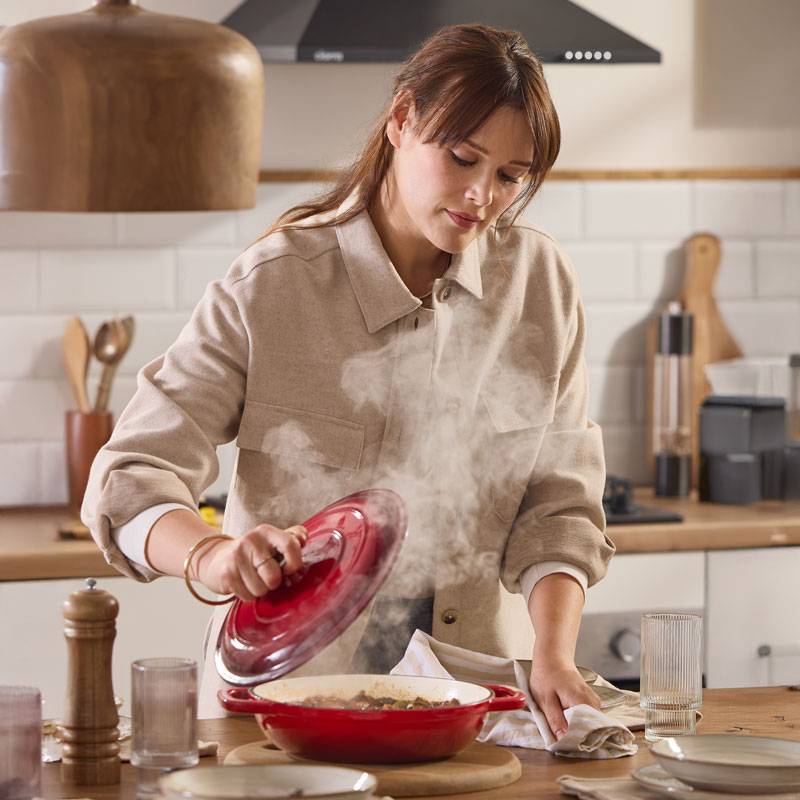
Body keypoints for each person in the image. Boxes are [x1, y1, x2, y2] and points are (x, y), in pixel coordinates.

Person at [83, 23, 614, 739]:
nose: (483, 195)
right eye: (463, 158)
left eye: (511, 177)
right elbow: (128, 476)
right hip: (281, 714)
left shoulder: (539, 285)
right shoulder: (271, 286)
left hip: (473, 711)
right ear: (402, 121)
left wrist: (553, 653)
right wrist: (211, 556)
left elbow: (560, 504)